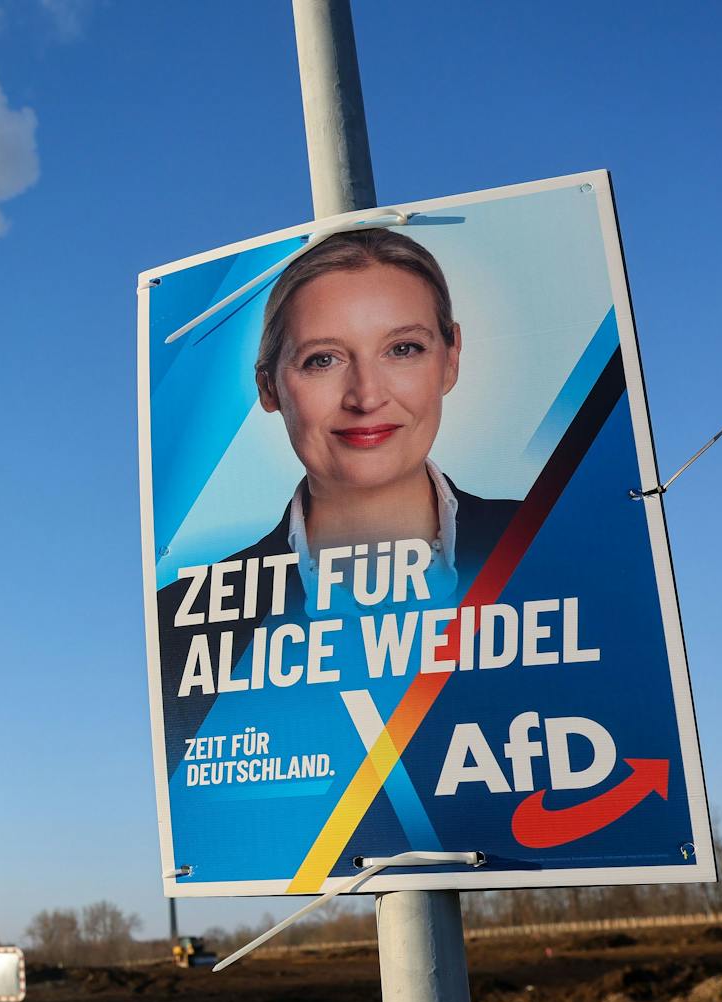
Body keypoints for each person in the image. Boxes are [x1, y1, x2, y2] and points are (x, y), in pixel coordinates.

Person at [157, 229, 518, 771]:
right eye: (322, 360)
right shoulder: (182, 624)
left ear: (450, 359)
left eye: (403, 349)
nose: (367, 396)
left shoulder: (558, 550)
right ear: (269, 387)